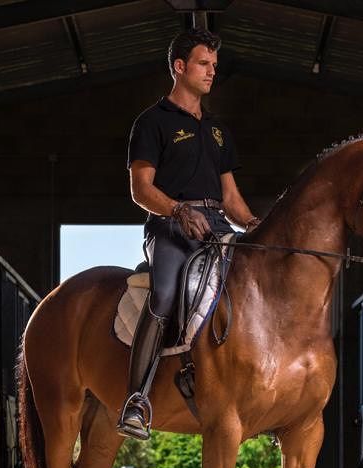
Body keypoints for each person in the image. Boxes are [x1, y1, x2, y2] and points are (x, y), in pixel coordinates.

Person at [117, 27, 260, 440]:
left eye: (214, 65)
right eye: (203, 64)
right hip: (169, 228)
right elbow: (140, 188)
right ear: (179, 67)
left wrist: (252, 224)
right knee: (163, 296)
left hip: (217, 227)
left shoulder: (218, 129)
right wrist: (178, 211)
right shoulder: (151, 123)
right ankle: (137, 400)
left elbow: (230, 197)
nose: (211, 71)